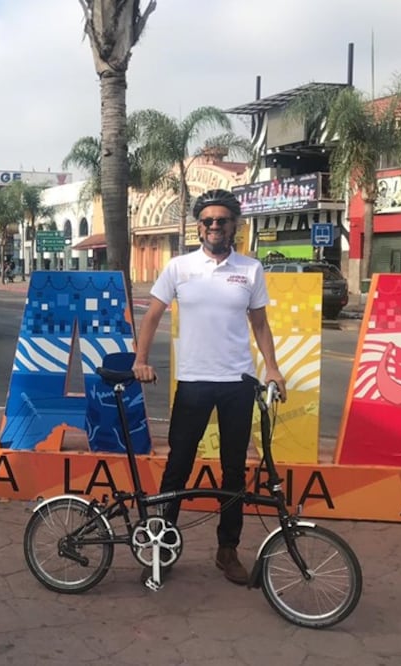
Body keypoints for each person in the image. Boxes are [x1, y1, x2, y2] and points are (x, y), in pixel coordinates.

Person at [133, 189, 286, 586]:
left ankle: (227, 550)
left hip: (237, 383)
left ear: (234, 225)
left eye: (222, 220)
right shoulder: (179, 267)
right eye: (208, 221)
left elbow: (260, 324)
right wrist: (141, 360)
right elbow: (151, 317)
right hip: (194, 382)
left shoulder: (250, 270)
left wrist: (273, 368)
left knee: (233, 471)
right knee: (177, 466)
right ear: (198, 226)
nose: (215, 226)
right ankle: (161, 546)